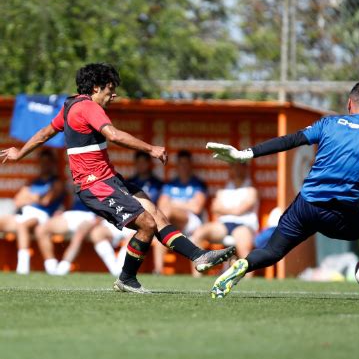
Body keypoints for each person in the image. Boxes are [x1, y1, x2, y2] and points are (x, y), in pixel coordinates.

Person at [0, 62, 234, 293]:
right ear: (95, 89)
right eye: (110, 90)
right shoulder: (89, 107)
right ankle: (126, 279)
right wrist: (150, 149)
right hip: (96, 185)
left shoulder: (70, 106)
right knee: (147, 224)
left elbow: (44, 133)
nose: (113, 96)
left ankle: (199, 256)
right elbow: (113, 134)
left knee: (155, 214)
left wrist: (20, 153)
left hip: (111, 180)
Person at [206, 81, 359, 298]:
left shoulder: (329, 123)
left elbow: (291, 140)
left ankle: (244, 264)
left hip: (305, 207)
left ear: (349, 103)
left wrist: (243, 154)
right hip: (340, 216)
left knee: (273, 252)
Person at [0, 149, 65, 274]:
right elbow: (18, 201)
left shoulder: (56, 182)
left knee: (22, 225)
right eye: (42, 162)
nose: (44, 165)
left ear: (52, 163)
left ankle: (23, 267)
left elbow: (46, 201)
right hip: (23, 213)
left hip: (41, 215)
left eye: (47, 162)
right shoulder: (33, 181)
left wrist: (29, 197)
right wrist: (34, 198)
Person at [191, 162, 258, 276]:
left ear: (245, 168)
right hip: (224, 224)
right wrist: (232, 209)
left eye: (239, 166)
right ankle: (198, 274)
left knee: (243, 245)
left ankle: (248, 280)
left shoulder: (251, 189)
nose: (236, 169)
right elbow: (215, 208)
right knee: (199, 233)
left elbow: (240, 210)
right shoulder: (224, 188)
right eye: (233, 166)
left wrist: (224, 209)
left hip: (244, 225)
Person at [154, 149, 208, 274]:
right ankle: (158, 271)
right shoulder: (170, 184)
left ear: (191, 165)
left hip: (193, 223)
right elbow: (162, 206)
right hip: (172, 223)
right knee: (162, 226)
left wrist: (174, 204)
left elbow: (196, 208)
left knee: (164, 220)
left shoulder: (198, 184)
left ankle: (197, 275)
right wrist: (186, 204)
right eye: (181, 163)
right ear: (176, 166)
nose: (183, 167)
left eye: (186, 163)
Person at [35, 194, 99, 275]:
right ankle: (51, 266)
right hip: (71, 214)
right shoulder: (73, 183)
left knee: (79, 234)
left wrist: (97, 220)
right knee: (41, 229)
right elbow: (66, 200)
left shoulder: (100, 183)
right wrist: (61, 210)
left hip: (90, 215)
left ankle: (63, 267)